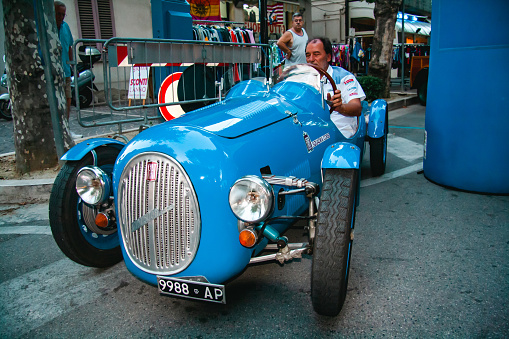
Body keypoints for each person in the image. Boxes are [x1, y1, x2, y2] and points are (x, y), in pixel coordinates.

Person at [305, 37, 366, 138]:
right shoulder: (302, 80)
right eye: (308, 55)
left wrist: (340, 108)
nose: (311, 59)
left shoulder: (344, 77)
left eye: (316, 54)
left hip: (340, 131)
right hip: (312, 130)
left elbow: (357, 108)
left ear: (328, 57)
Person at [55, 1, 82, 138]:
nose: (60, 17)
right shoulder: (47, 28)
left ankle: (65, 129)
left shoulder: (65, 27)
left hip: (65, 70)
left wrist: (73, 65)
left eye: (63, 15)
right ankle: (55, 131)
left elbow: (70, 46)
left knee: (67, 99)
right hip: (51, 72)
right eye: (58, 14)